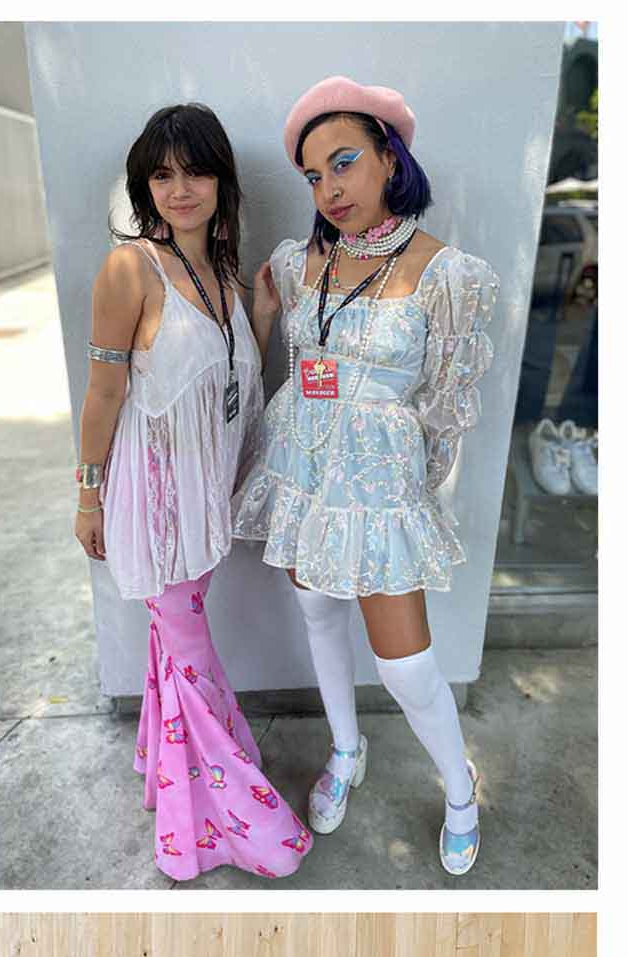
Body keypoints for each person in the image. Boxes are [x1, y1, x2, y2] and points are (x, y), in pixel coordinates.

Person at [233, 79, 501, 875]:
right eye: (314, 176)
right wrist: (259, 315)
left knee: (405, 661)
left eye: (344, 162)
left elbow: (447, 404)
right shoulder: (299, 259)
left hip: (377, 482)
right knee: (317, 614)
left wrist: (408, 484)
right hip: (301, 464)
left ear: (390, 155)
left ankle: (460, 788)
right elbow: (274, 356)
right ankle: (347, 750)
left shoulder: (448, 273)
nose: (330, 189)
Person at [76, 104, 310, 882]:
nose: (180, 188)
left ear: (222, 181)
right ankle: (228, 823)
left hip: (206, 500)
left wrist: (263, 318)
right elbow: (104, 394)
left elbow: (229, 381)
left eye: (196, 170)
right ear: (146, 184)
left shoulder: (222, 277)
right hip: (151, 503)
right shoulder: (129, 269)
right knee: (193, 658)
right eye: (163, 173)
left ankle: (163, 771)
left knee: (177, 646)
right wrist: (87, 495)